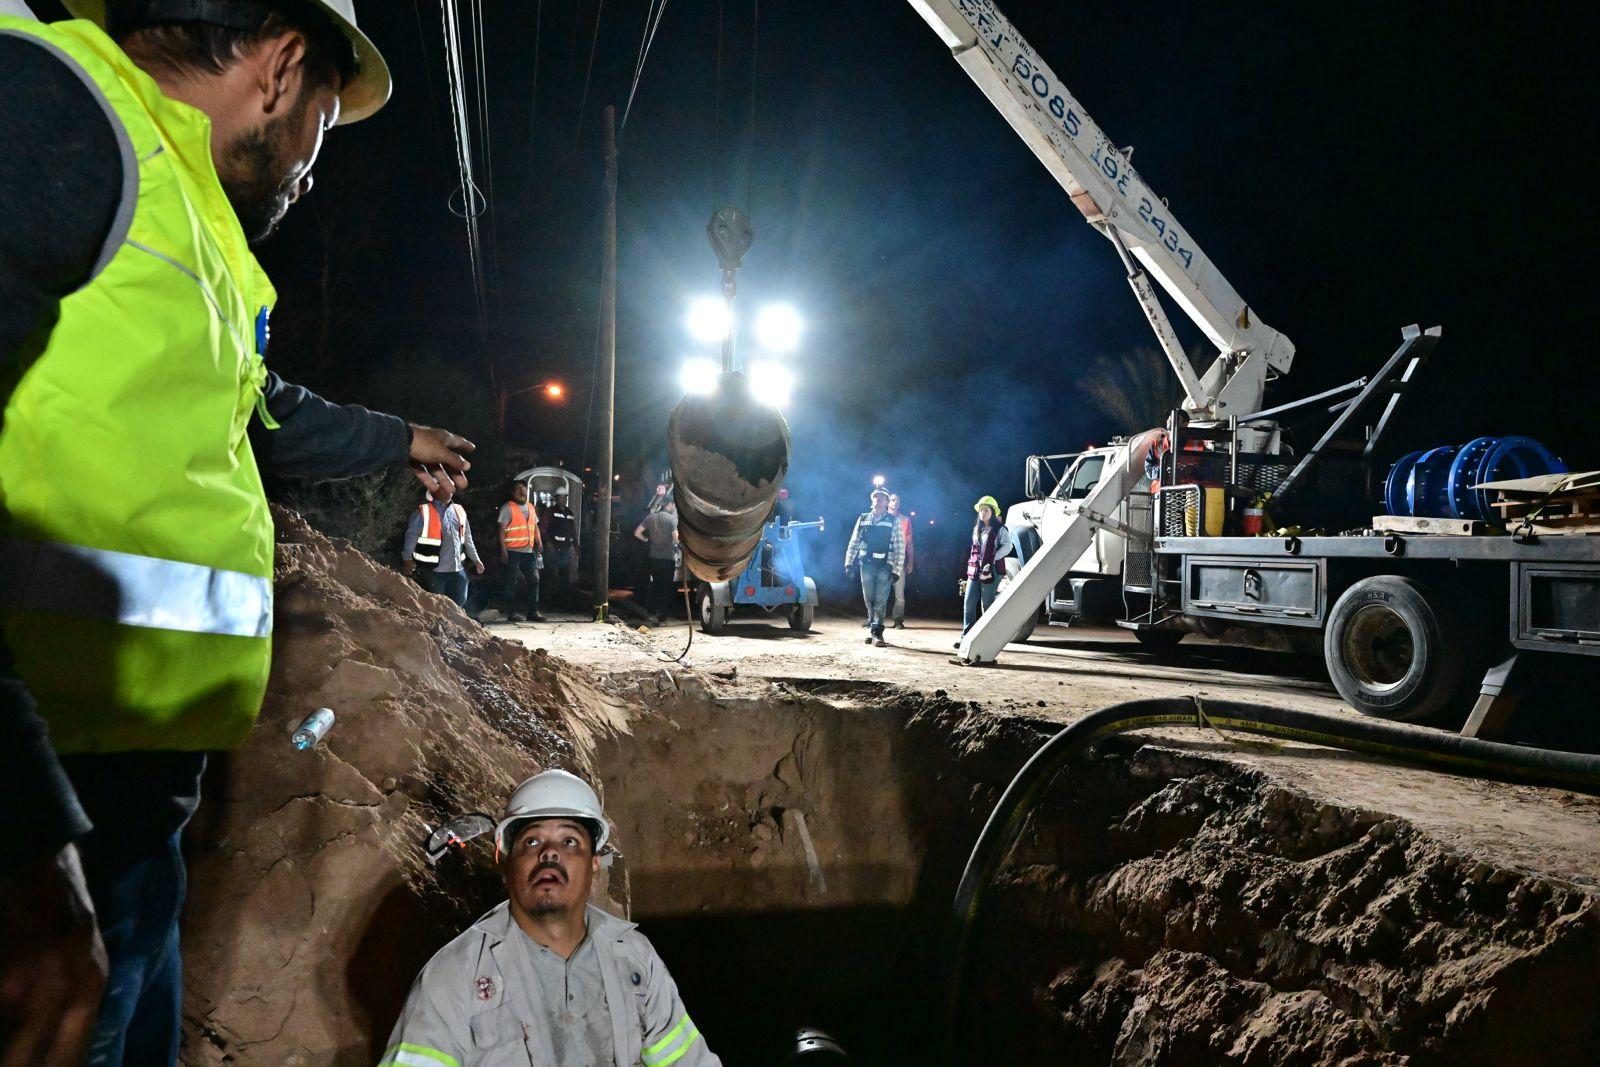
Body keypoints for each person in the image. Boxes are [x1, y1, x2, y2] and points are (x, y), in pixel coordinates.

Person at [0, 2, 477, 1060]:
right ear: (280, 69)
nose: (314, 161)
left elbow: (261, 407)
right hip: (54, 791)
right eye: (322, 122)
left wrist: (397, 439)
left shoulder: (181, 208)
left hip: (134, 793)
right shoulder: (53, 111)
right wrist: (20, 829)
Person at [383, 770, 722, 1067]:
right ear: (506, 862)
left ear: (593, 864)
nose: (550, 853)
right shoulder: (455, 974)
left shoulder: (634, 957)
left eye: (570, 840)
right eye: (531, 841)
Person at [403, 479, 484, 608]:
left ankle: (453, 626)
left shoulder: (459, 510)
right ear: (435, 490)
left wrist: (476, 559)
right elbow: (411, 536)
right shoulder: (423, 512)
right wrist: (407, 559)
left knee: (459, 602)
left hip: (457, 569)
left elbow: (467, 538)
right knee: (436, 606)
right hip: (434, 571)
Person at [844, 487, 905, 646]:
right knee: (868, 599)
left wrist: (896, 570)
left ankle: (878, 632)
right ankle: (872, 627)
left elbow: (900, 547)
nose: (878, 499)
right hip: (866, 565)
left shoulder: (893, 521)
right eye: (875, 496)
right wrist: (848, 563)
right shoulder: (863, 518)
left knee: (880, 599)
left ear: (886, 502)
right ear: (872, 500)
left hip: (885, 566)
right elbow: (854, 542)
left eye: (881, 497)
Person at [956, 495, 1014, 648]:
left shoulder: (1000, 529)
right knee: (968, 603)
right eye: (981, 510)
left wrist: (993, 558)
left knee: (987, 605)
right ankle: (966, 637)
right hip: (975, 571)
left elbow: (1008, 546)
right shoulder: (977, 529)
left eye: (986, 510)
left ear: (993, 512)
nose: (983, 512)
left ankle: (986, 639)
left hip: (992, 571)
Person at [498, 481, 544, 623]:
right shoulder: (508, 508)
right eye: (518, 489)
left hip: (529, 551)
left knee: (534, 580)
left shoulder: (531, 507)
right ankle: (512, 612)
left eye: (524, 488)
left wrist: (539, 542)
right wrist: (503, 551)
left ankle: (533, 611)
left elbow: (535, 527)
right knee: (511, 582)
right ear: (513, 492)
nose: (522, 491)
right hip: (513, 551)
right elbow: (501, 530)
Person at [633, 501, 679, 624]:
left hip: (653, 558)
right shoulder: (671, 519)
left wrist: (646, 539)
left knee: (655, 586)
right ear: (670, 504)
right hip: (667, 559)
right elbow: (676, 538)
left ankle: (651, 613)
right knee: (666, 587)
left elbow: (637, 533)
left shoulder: (650, 518)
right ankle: (662, 615)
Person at [544, 485, 579, 608]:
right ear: (556, 498)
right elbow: (544, 528)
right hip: (553, 549)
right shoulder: (550, 511)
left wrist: (576, 546)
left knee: (565, 575)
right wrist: (548, 543)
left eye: (565, 497)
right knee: (549, 573)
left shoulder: (569, 513)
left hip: (565, 549)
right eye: (562, 497)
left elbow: (572, 531)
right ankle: (545, 599)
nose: (564, 499)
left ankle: (563, 600)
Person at [887, 493, 915, 629]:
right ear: (887, 502)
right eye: (892, 500)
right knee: (879, 592)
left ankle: (898, 620)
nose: (895, 502)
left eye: (897, 500)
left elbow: (909, 542)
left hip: (899, 560)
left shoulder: (905, 520)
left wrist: (910, 561)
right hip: (882, 560)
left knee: (899, 593)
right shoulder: (880, 517)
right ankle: (873, 620)